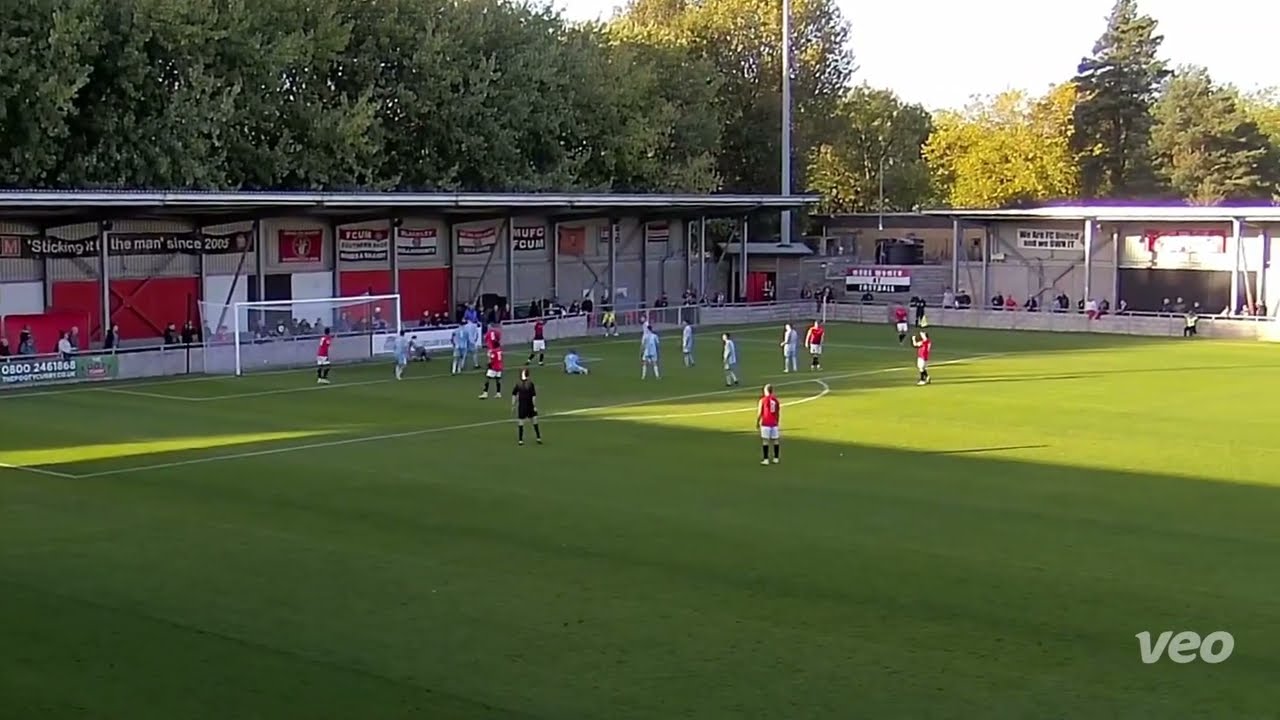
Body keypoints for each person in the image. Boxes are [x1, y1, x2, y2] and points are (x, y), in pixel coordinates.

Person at [510, 368, 543, 445]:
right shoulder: (530, 384)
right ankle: (538, 438)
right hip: (530, 405)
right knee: (534, 421)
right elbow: (533, 396)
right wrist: (534, 406)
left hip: (522, 406)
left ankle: (520, 440)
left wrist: (513, 405)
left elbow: (514, 394)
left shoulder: (518, 384)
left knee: (521, 422)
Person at [757, 383, 781, 465]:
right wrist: (777, 422)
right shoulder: (776, 400)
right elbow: (778, 413)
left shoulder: (762, 400)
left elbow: (760, 412)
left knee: (765, 441)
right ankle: (776, 458)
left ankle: (766, 459)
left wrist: (757, 422)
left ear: (766, 391)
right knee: (775, 440)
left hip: (766, 423)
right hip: (774, 423)